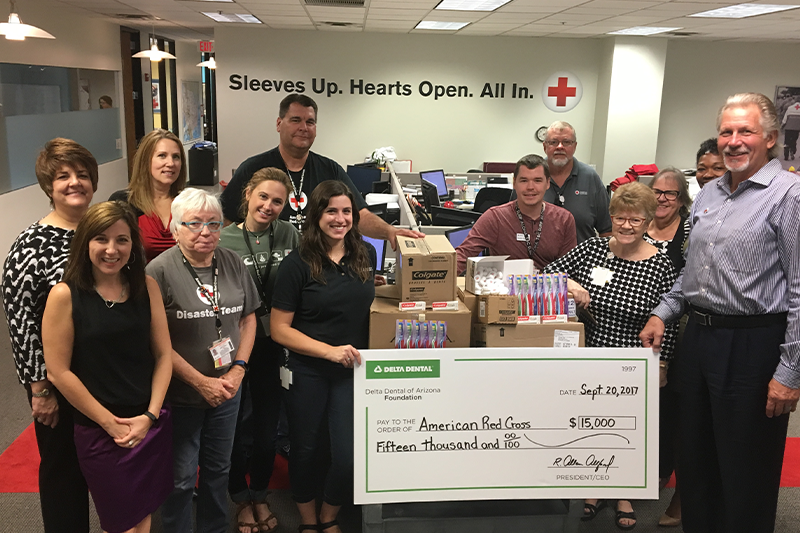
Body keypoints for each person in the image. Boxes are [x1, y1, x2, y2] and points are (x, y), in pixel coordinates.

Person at [640, 93, 800, 533]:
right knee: (696, 462)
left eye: (745, 131)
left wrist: (790, 371)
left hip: (753, 344)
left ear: (769, 138)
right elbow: (693, 275)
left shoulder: (789, 195)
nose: (733, 141)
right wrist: (662, 313)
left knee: (745, 467)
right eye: (726, 132)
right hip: (699, 340)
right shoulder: (709, 192)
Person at [545, 181, 678, 531]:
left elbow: (669, 318)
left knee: (626, 431)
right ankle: (592, 489)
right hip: (590, 355)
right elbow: (546, 274)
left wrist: (663, 363)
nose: (626, 226)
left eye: (636, 220)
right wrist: (569, 284)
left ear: (649, 222)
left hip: (634, 361)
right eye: (620, 218)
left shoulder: (660, 266)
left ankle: (623, 493)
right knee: (590, 425)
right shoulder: (593, 249)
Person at [41, 201, 173, 533]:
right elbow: (59, 372)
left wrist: (150, 415)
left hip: (149, 422)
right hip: (101, 430)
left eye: (122, 240)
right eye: (101, 239)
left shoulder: (147, 287)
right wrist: (110, 424)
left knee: (143, 518)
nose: (112, 249)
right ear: (85, 243)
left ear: (133, 244)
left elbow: (163, 356)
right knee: (122, 524)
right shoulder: (65, 295)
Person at [146, 188, 260, 533]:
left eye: (213, 223)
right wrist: (200, 382)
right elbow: (156, 342)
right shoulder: (157, 271)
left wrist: (238, 369)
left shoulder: (232, 262)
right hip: (181, 393)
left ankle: (213, 527)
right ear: (174, 227)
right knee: (180, 478)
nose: (205, 232)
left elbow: (248, 319)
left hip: (228, 389)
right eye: (193, 224)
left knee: (218, 471)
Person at [1, 138, 98, 533]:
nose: (75, 182)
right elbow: (20, 321)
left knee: (110, 464)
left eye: (82, 174)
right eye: (63, 176)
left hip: (105, 371)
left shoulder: (104, 228)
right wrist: (39, 388)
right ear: (48, 185)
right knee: (64, 470)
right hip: (58, 377)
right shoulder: (31, 245)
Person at [270, 180, 376, 533]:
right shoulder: (297, 264)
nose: (340, 218)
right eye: (332, 211)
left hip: (351, 370)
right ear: (316, 215)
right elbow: (280, 329)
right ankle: (308, 522)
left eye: (346, 211)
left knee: (346, 456)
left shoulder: (365, 254)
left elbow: (367, 306)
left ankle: (330, 515)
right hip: (308, 370)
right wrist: (329, 352)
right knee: (306, 450)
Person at [220, 93, 422, 248]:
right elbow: (227, 219)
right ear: (279, 124)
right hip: (266, 269)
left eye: (310, 122)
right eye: (295, 120)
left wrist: (389, 232)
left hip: (317, 269)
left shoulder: (330, 169)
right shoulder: (253, 168)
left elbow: (360, 215)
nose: (304, 127)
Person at [218, 168, 300, 533]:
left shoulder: (289, 234)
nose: (269, 206)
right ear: (248, 194)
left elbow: (306, 277)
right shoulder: (222, 240)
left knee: (268, 425)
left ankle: (261, 493)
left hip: (274, 343)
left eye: (278, 201)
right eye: (263, 197)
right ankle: (238, 495)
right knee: (233, 424)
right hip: (234, 345)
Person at [643, 167, 692, 528]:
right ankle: (644, 472)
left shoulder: (690, 232)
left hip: (675, 332)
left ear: (681, 199)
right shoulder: (637, 223)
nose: (661, 199)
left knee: (670, 410)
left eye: (670, 194)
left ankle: (666, 477)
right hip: (634, 333)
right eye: (657, 191)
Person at [455, 154, 576, 273]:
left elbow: (569, 269)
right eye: (524, 180)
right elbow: (462, 256)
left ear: (548, 183)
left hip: (548, 290)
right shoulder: (496, 217)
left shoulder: (564, 219)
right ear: (514, 183)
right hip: (506, 290)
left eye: (537, 180)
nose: (530, 187)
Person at [110, 129, 187, 262]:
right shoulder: (124, 202)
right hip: (140, 280)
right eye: (162, 156)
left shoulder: (188, 202)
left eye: (176, 157)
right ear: (146, 161)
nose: (170, 163)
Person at [541, 121, 612, 243]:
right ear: (544, 147)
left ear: (574, 146)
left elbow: (607, 229)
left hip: (583, 260)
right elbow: (512, 222)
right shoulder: (531, 176)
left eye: (566, 142)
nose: (560, 147)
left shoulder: (590, 178)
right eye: (553, 142)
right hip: (539, 261)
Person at [781, 95, 800, 161]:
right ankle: (793, 150)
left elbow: (784, 120)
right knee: (794, 140)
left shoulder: (790, 108)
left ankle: (786, 156)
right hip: (797, 128)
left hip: (788, 127)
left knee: (786, 141)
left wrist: (782, 126)